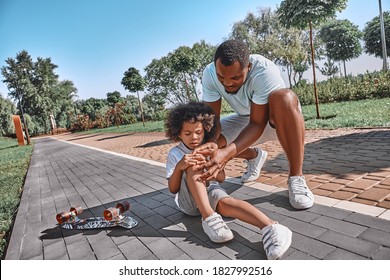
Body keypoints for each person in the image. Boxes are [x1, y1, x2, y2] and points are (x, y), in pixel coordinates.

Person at [195, 39, 314, 210]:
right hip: (245, 118)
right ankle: (254, 156)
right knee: (202, 139)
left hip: (279, 121)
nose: (228, 83)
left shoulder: (264, 71)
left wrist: (226, 155)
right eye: (222, 77)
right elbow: (212, 121)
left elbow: (257, 124)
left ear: (248, 67)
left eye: (235, 77)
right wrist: (213, 149)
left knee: (284, 98)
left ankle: (296, 177)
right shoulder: (210, 74)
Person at [165, 101, 292, 260]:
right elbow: (172, 189)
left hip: (210, 190)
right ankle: (209, 217)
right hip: (188, 203)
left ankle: (271, 227)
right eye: (187, 133)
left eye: (198, 132)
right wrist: (179, 167)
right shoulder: (175, 153)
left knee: (227, 203)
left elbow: (221, 178)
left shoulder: (210, 148)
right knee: (192, 162)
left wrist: (212, 162)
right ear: (178, 133)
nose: (194, 137)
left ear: (205, 129)